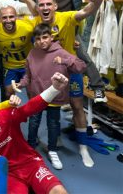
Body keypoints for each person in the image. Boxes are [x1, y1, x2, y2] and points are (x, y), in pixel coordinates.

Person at [3, 0, 123, 102]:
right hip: (46, 28)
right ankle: (53, 95)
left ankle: (98, 87)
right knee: (47, 62)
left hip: (68, 25)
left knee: (82, 57)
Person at [14, 0, 104, 167]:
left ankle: (83, 146)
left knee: (77, 107)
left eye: (49, 4)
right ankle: (51, 142)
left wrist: (98, 1)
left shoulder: (67, 17)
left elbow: (86, 11)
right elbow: (18, 16)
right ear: (37, 8)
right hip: (45, 74)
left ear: (55, 6)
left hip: (69, 70)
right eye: (41, 5)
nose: (45, 7)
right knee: (44, 112)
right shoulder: (35, 22)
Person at [18, 23, 86, 170]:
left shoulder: (60, 52)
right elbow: (28, 76)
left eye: (45, 37)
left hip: (55, 97)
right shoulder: (32, 54)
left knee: (53, 124)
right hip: (37, 96)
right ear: (35, 40)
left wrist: (65, 61)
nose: (42, 41)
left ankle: (52, 150)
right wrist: (21, 84)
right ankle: (30, 148)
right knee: (33, 122)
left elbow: (81, 66)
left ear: (51, 37)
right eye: (38, 38)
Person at [0, 6, 34, 98]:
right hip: (10, 67)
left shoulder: (28, 28)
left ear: (16, 17)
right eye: (4, 17)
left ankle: (34, 112)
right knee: (8, 93)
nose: (8, 20)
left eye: (11, 17)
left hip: (28, 65)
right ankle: (12, 112)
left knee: (32, 92)